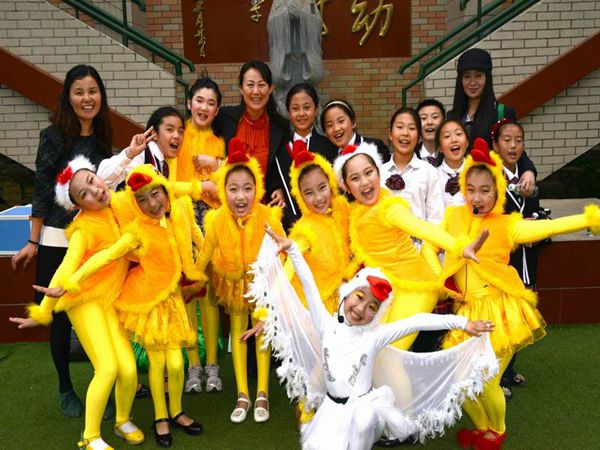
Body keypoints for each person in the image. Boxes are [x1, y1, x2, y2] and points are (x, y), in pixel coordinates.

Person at [246, 227, 498, 450]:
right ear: (346, 294)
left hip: (365, 411)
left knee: (363, 419)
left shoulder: (375, 336)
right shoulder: (326, 325)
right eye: (359, 297)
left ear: (377, 315)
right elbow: (308, 283)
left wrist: (463, 323)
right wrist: (292, 249)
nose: (361, 309)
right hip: (332, 410)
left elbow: (417, 321)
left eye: (372, 307)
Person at [421, 138, 600, 450]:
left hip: (501, 312)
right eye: (471, 189)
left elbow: (547, 229)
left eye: (485, 190)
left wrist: (587, 218)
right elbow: (428, 246)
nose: (477, 197)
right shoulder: (453, 217)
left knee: (488, 378)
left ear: (497, 192)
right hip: (467, 314)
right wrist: (440, 280)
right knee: (461, 381)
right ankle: (482, 428)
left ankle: (497, 431)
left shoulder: (506, 224)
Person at [10, 65, 147, 418]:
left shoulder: (101, 137)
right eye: (79, 92)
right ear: (68, 98)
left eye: (93, 91)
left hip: (95, 238)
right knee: (60, 316)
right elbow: (42, 189)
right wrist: (33, 241)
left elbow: (108, 182)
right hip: (58, 237)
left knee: (101, 308)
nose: (87, 98)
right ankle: (65, 388)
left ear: (101, 95)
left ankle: (112, 380)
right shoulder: (53, 137)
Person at [10, 156, 149, 450]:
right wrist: (43, 311)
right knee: (107, 368)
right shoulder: (83, 228)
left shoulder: (118, 205)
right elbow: (66, 267)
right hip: (84, 301)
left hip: (110, 301)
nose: (94, 191)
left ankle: (122, 420)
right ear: (78, 206)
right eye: (84, 194)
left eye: (92, 181)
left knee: (128, 368)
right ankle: (89, 437)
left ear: (99, 177)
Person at [333, 142, 488, 350]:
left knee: (390, 350)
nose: (364, 182)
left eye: (368, 173)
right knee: (375, 349)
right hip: (392, 288)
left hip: (417, 288)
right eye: (355, 178)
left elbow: (422, 228)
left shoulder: (389, 208)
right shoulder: (357, 211)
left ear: (378, 173)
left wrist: (460, 247)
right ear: (346, 186)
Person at [193, 139, 286, 423]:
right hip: (232, 284)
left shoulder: (269, 217)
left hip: (262, 285)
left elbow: (284, 251)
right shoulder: (216, 220)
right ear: (223, 190)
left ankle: (262, 392)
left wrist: (279, 284)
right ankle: (242, 394)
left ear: (257, 189)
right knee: (237, 332)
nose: (241, 196)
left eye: (247, 188)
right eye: (233, 189)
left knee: (261, 333)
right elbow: (205, 254)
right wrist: (190, 280)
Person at [112, 165, 205, 448]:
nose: (152, 204)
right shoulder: (138, 229)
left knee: (176, 364)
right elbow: (112, 253)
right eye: (142, 199)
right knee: (158, 363)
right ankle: (160, 416)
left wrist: (208, 263)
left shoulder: (180, 213)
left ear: (165, 191)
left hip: (173, 301)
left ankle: (177, 411)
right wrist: (70, 281)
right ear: (135, 204)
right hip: (150, 303)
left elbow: (198, 238)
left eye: (155, 194)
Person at [177, 76, 225, 394]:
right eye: (199, 100)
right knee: (187, 290)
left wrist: (217, 164)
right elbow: (166, 180)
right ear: (189, 103)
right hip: (182, 218)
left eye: (211, 103)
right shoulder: (177, 135)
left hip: (211, 219)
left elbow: (233, 178)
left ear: (217, 109)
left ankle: (212, 365)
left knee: (208, 292)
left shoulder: (221, 141)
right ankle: (193, 364)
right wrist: (198, 187)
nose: (204, 107)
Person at [211, 60, 296, 225]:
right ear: (241, 89)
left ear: (271, 88)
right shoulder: (225, 118)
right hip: (228, 210)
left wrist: (281, 190)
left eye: (261, 85)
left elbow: (283, 167)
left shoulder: (281, 126)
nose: (256, 91)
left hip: (265, 212)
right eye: (250, 85)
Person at [492, 119, 540, 399]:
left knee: (521, 314)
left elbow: (537, 211)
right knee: (503, 318)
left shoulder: (528, 176)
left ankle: (509, 370)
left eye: (518, 140)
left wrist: (536, 226)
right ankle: (496, 376)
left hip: (527, 258)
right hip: (503, 261)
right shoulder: (490, 176)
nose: (513, 146)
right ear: (496, 144)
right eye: (507, 140)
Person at [380, 107, 444, 225]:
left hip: (420, 236)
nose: (405, 133)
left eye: (412, 128)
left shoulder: (429, 172)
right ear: (390, 134)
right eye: (400, 127)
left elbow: (436, 217)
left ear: (419, 137)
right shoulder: (379, 173)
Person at [321, 99, 390, 163]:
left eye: (341, 121)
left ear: (353, 122)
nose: (336, 129)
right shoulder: (325, 157)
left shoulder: (375, 148)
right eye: (329, 125)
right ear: (325, 131)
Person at [285, 82, 338, 163]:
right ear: (288, 113)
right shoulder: (281, 148)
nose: (301, 113)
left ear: (316, 110)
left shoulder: (329, 146)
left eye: (307, 107)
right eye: (295, 108)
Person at [436, 119, 469, 210]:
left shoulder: (478, 173)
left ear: (467, 142)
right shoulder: (432, 175)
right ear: (440, 147)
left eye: (458, 134)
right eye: (447, 136)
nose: (454, 140)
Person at [415, 98, 445, 166]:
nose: (429, 122)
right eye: (423, 118)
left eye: (435, 117)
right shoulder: (410, 156)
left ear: (443, 122)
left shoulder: (452, 154)